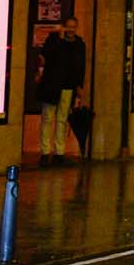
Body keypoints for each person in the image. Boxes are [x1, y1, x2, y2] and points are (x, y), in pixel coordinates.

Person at [36, 16, 86, 166]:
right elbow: (46, 55)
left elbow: (80, 66)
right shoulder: (54, 40)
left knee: (62, 119)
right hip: (52, 85)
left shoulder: (79, 44)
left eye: (73, 27)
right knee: (48, 118)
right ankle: (45, 152)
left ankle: (59, 153)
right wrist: (59, 37)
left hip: (68, 86)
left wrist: (79, 86)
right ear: (64, 27)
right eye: (68, 26)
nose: (71, 30)